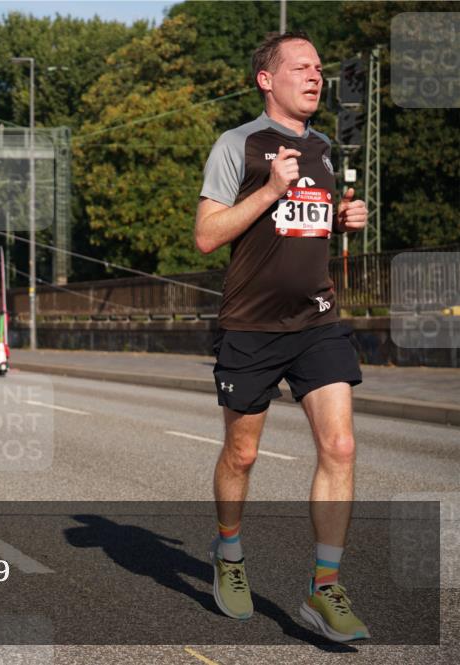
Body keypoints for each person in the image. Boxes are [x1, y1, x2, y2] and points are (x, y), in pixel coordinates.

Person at [194, 32, 370, 641]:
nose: (316, 76)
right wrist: (269, 190)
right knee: (242, 454)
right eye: (301, 67)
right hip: (251, 325)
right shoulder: (236, 146)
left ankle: (325, 588)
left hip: (317, 319)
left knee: (341, 447)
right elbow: (206, 236)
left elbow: (306, 228)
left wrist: (345, 220)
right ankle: (230, 553)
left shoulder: (322, 147)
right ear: (267, 79)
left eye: (319, 68)